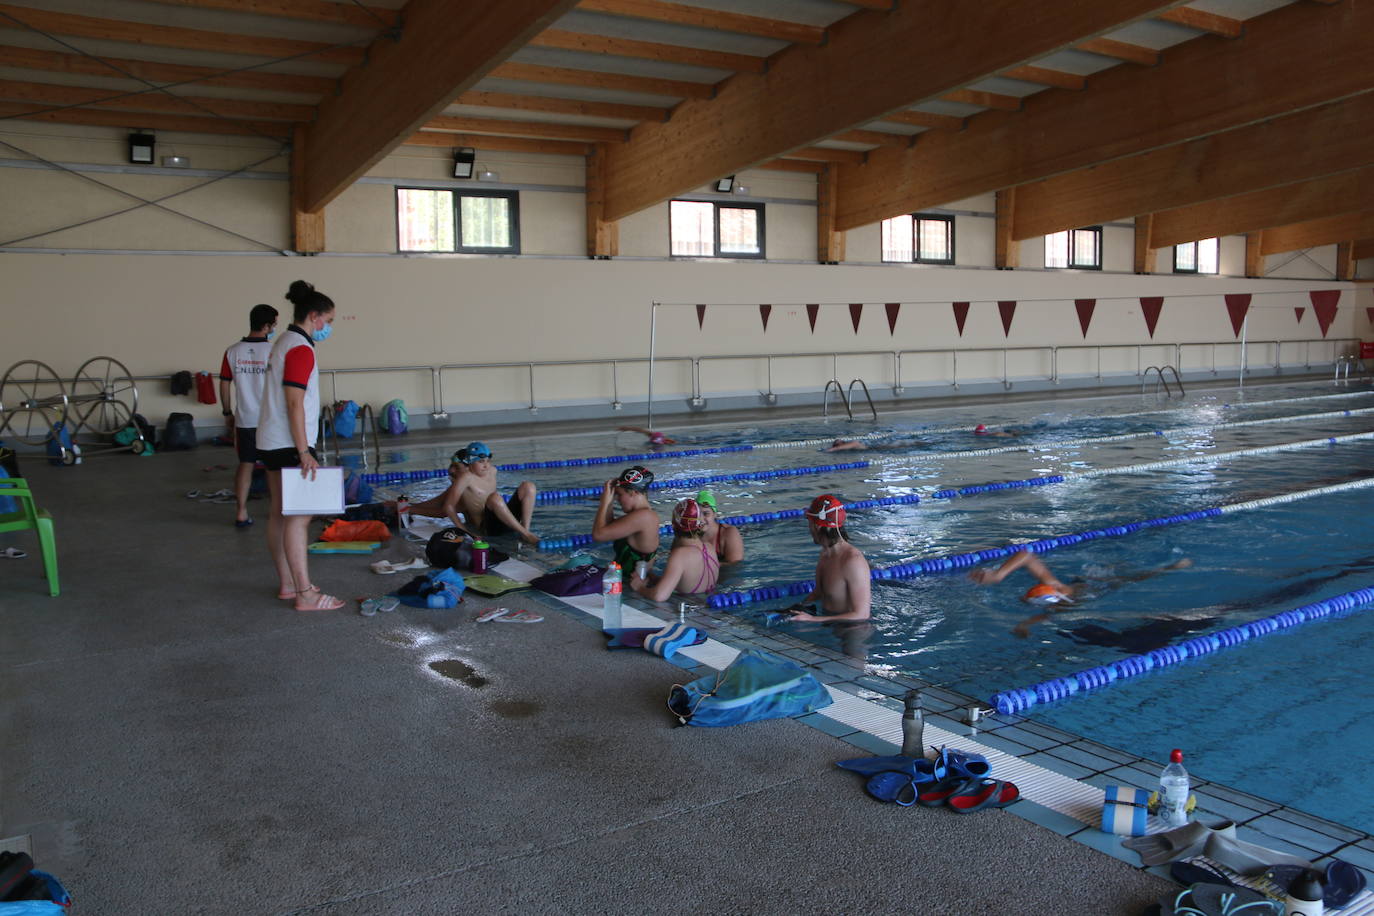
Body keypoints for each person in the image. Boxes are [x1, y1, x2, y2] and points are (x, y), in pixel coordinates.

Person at [256, 280, 343, 611]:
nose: (329, 327)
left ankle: (288, 584)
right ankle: (305, 593)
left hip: (272, 439)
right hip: (290, 442)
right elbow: (295, 402)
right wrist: (304, 451)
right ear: (314, 316)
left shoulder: (284, 341)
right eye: (329, 320)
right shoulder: (301, 348)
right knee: (299, 516)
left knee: (280, 512)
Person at [968, 549, 1193, 637]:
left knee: (1129, 578)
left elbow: (1048, 614)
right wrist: (999, 575)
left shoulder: (1061, 594)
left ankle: (1169, 568)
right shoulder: (1056, 589)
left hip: (1100, 586)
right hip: (1086, 583)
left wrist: (1027, 623)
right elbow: (1026, 555)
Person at [407, 442, 539, 546]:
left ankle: (525, 531)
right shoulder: (465, 479)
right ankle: (526, 534)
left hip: (505, 520)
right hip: (488, 527)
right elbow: (447, 507)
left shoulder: (493, 471)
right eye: (481, 462)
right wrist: (463, 530)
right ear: (470, 463)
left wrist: (411, 508)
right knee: (495, 498)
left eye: (487, 461)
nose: (486, 465)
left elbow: (440, 505)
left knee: (528, 486)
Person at [218, 303, 278, 528]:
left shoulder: (232, 351)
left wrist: (227, 412)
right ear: (266, 325)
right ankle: (275, 512)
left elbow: (224, 385)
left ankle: (241, 512)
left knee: (246, 464)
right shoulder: (273, 351)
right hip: (270, 420)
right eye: (273, 324)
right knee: (273, 468)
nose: (274, 328)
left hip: (245, 419)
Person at [784, 494, 871, 623]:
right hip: (829, 622)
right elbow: (819, 592)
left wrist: (813, 619)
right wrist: (797, 607)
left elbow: (862, 614)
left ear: (816, 526)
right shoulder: (825, 554)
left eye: (809, 523)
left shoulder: (853, 561)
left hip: (853, 631)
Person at [630, 498, 719, 600]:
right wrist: (654, 579)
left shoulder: (680, 555)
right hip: (707, 607)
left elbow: (659, 596)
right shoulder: (709, 547)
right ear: (698, 525)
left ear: (674, 526)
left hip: (687, 609)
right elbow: (687, 583)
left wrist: (639, 587)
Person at [591, 466, 661, 572]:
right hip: (619, 580)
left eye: (619, 494)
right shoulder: (643, 515)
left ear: (633, 492)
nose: (617, 499)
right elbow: (608, 527)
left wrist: (604, 502)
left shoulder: (644, 517)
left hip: (626, 585)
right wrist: (609, 502)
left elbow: (598, 535)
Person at [696, 489, 743, 564]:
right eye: (697, 514)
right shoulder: (690, 533)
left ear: (715, 514)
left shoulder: (729, 533)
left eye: (706, 514)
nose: (700, 519)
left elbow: (735, 565)